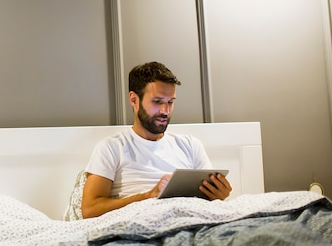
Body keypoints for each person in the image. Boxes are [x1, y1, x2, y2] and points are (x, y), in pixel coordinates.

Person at [81, 61, 232, 219]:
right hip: (141, 225)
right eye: (157, 101)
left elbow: (209, 201)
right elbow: (90, 210)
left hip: (190, 223)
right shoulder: (112, 148)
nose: (165, 111)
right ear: (134, 100)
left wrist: (218, 196)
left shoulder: (190, 145)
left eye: (170, 102)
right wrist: (148, 196)